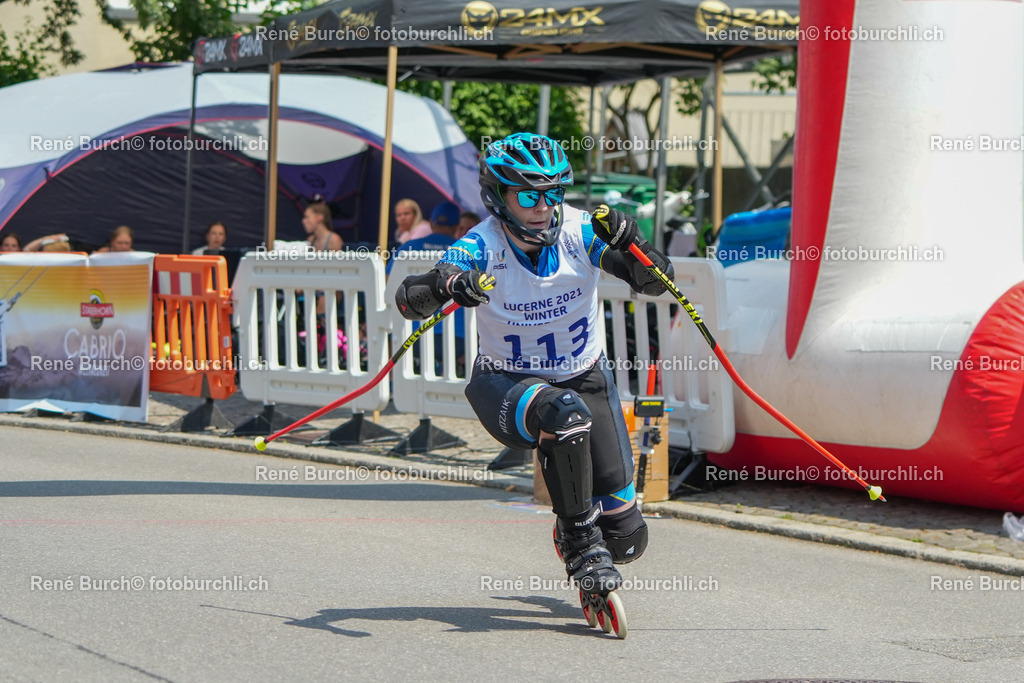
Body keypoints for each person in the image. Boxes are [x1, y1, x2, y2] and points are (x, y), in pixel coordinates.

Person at [395, 132, 675, 604]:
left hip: (584, 376)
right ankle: (579, 541)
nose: (544, 205)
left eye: (554, 192)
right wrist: (451, 285)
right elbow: (410, 300)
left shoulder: (579, 231)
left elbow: (655, 284)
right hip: (506, 382)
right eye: (529, 194)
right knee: (562, 414)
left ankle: (592, 535)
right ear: (499, 196)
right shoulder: (483, 243)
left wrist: (634, 243)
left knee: (628, 539)